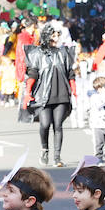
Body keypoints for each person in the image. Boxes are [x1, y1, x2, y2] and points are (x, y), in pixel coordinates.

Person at [27, 23, 76, 167]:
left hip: (61, 94)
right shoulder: (38, 53)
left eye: (58, 35)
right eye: (53, 35)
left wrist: (73, 89)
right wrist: (28, 92)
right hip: (44, 95)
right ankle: (44, 149)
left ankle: (57, 157)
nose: (56, 38)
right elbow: (33, 73)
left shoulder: (63, 52)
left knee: (58, 125)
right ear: (46, 36)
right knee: (45, 124)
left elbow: (70, 72)